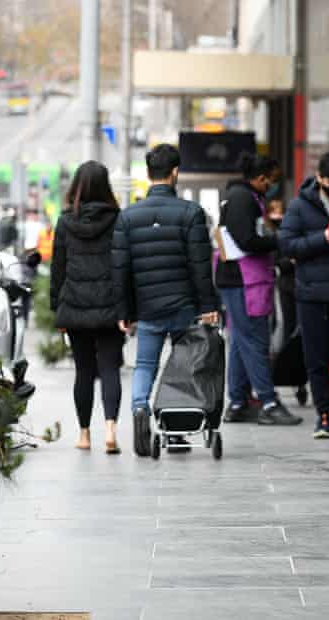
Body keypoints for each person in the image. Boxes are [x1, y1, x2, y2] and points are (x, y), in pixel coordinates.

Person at [113, 144, 219, 457]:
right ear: (175, 173)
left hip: (147, 308)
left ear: (148, 174)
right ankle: (178, 430)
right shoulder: (190, 213)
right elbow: (200, 265)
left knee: (145, 364)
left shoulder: (128, 217)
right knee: (184, 367)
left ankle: (140, 409)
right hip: (183, 307)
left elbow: (121, 269)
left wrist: (124, 310)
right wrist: (208, 306)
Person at [215, 154, 301, 426]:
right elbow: (248, 240)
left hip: (242, 281)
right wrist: (277, 240)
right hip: (245, 281)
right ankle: (268, 402)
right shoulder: (243, 199)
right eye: (270, 180)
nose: (271, 186)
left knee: (242, 341)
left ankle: (239, 401)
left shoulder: (239, 196)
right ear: (261, 177)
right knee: (254, 340)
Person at [278, 152, 329, 439]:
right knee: (317, 360)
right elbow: (287, 244)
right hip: (310, 294)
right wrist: (323, 239)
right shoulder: (300, 205)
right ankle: (323, 416)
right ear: (319, 178)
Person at [50, 161, 124, 454]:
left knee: (83, 371)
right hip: (109, 306)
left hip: (76, 306)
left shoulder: (66, 221)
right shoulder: (119, 220)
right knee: (109, 368)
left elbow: (58, 268)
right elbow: (123, 266)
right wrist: (126, 309)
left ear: (77, 186)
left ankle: (83, 434)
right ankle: (110, 430)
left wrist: (58, 309)